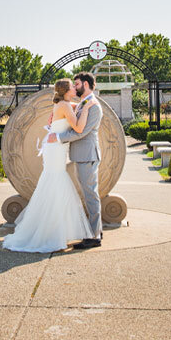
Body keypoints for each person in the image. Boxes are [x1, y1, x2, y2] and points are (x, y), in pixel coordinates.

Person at [2, 78, 95, 254]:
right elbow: (79, 127)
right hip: (55, 150)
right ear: (66, 91)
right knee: (56, 182)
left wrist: (82, 104)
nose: (75, 89)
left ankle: (54, 230)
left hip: (55, 149)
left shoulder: (64, 104)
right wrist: (88, 108)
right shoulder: (65, 106)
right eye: (72, 87)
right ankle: (51, 233)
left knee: (55, 182)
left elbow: (76, 107)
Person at [47, 71, 104, 247]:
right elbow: (65, 106)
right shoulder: (82, 103)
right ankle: (96, 230)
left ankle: (94, 236)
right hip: (81, 155)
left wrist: (58, 137)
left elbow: (82, 131)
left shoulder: (93, 106)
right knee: (88, 194)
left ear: (85, 85)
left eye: (77, 84)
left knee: (90, 195)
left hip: (87, 155)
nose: (75, 87)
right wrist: (55, 113)